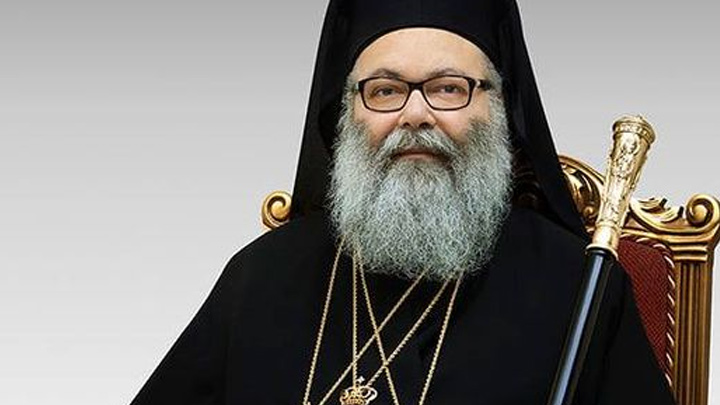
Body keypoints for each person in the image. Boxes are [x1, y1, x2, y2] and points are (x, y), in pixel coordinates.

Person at [131, 0, 676, 404]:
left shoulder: (576, 287)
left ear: (497, 108)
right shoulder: (260, 277)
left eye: (448, 88)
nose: (415, 115)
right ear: (348, 113)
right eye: (385, 90)